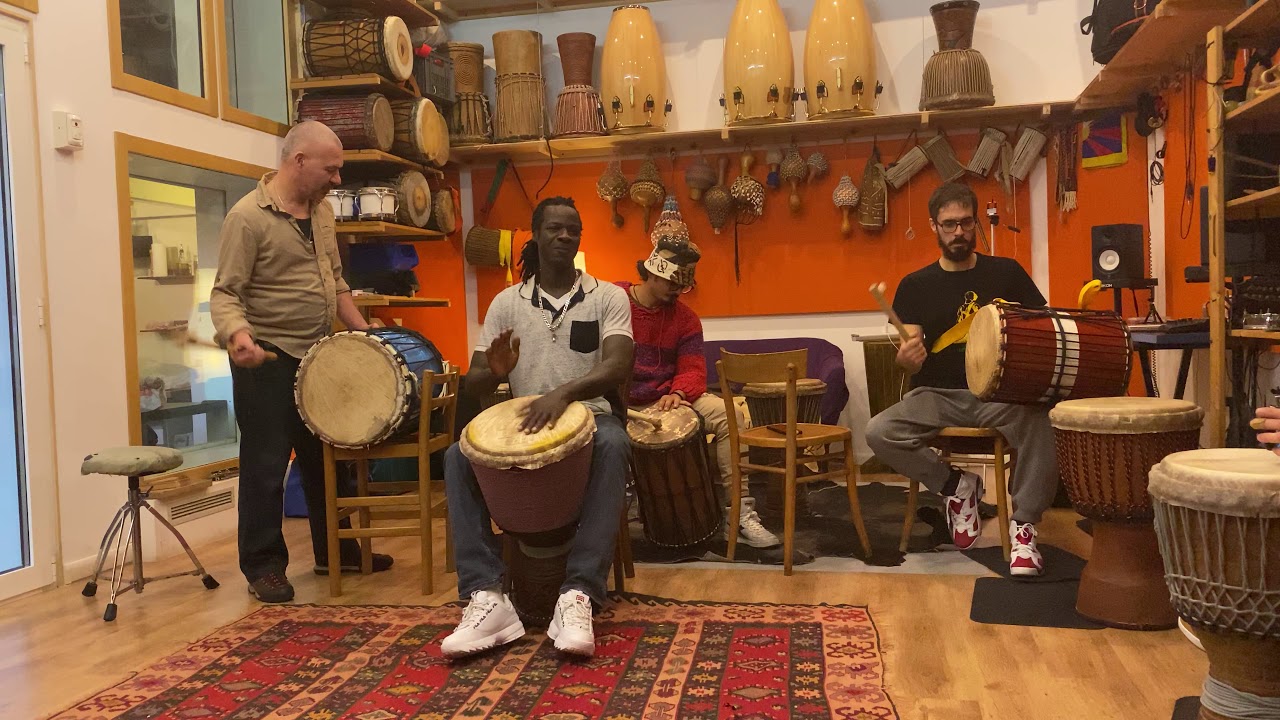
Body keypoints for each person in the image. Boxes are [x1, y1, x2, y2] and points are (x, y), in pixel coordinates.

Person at [440, 197, 634, 659]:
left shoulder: (608, 296)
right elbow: (476, 378)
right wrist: (498, 370)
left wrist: (563, 394)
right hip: (525, 422)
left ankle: (579, 593)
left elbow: (619, 364)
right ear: (536, 235)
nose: (565, 236)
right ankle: (485, 594)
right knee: (455, 456)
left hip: (590, 417)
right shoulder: (507, 303)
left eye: (573, 229)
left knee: (613, 440)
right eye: (554, 228)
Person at [211, 121, 391, 604]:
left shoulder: (323, 213)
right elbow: (226, 293)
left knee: (328, 458)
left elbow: (335, 282)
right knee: (267, 465)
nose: (336, 180)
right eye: (330, 170)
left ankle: (337, 552)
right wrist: (237, 335)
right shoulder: (246, 217)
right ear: (299, 162)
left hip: (317, 356)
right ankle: (264, 566)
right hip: (267, 358)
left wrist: (363, 331)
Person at [864, 182, 1056, 577]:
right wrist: (907, 358)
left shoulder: (1006, 273)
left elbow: (1042, 328)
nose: (958, 233)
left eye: (966, 223)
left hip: (1000, 394)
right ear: (933, 226)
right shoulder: (915, 285)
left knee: (1041, 417)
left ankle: (1024, 528)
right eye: (949, 224)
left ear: (975, 224)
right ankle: (956, 486)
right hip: (938, 393)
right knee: (879, 431)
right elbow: (912, 362)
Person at [617, 224, 781, 549]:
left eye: (682, 286)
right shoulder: (614, 300)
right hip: (622, 402)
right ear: (650, 272)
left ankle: (740, 515)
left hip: (668, 397)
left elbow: (693, 368)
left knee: (730, 415)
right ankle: (613, 519)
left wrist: (678, 392)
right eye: (670, 283)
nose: (676, 292)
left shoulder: (686, 319)